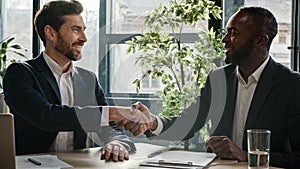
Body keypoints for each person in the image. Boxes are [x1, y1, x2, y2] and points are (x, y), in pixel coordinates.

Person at [118, 7, 300, 168]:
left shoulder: (292, 85)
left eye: (234, 33)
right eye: (227, 32)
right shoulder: (218, 78)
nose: (224, 40)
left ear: (260, 40)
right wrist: (153, 122)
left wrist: (245, 156)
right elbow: (188, 122)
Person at [3, 0, 137, 162]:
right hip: (31, 165)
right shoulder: (20, 73)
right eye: (75, 30)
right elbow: (47, 116)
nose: (84, 38)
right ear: (51, 33)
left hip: (77, 164)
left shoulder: (88, 79)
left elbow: (110, 127)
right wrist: (113, 112)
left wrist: (116, 142)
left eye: (84, 30)